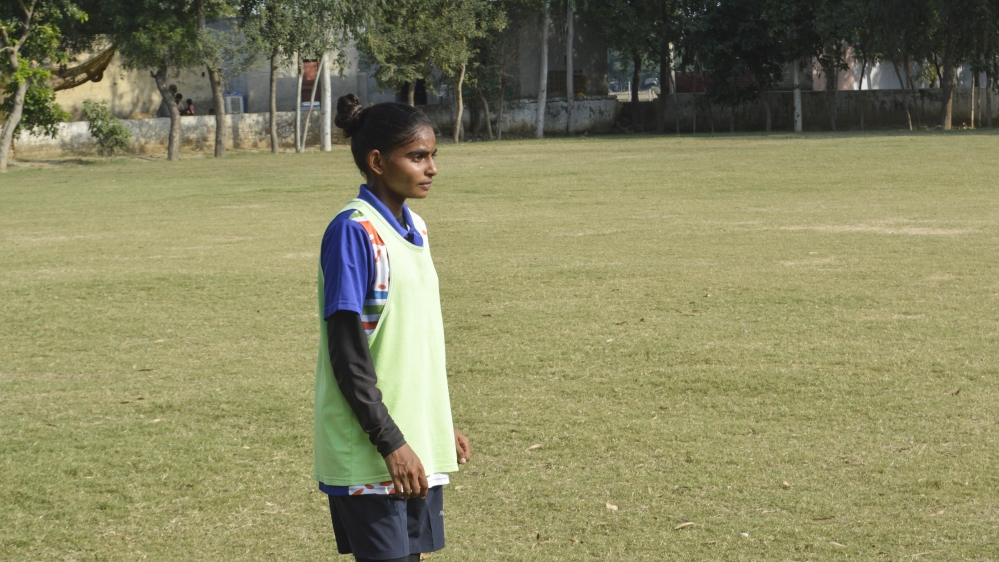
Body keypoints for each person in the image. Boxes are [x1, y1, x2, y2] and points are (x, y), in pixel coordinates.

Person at [315, 93, 471, 562]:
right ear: (378, 161)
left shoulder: (416, 228)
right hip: (375, 453)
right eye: (417, 156)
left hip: (414, 445)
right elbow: (348, 355)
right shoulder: (354, 231)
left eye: (433, 156)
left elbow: (410, 342)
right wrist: (393, 442)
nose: (432, 168)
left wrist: (437, 424)